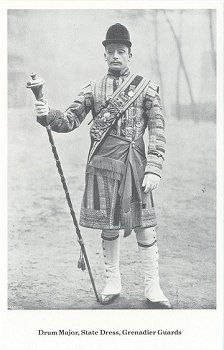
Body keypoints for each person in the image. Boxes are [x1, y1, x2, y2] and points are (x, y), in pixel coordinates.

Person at [34, 23, 172, 309]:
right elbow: (69, 120)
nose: (116, 57)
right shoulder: (93, 89)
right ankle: (113, 282)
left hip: (135, 166)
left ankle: (152, 287)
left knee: (144, 226)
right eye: (111, 52)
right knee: (108, 227)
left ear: (130, 54)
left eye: (121, 51)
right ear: (104, 55)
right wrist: (47, 113)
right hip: (101, 167)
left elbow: (157, 129)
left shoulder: (146, 88)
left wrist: (154, 167)